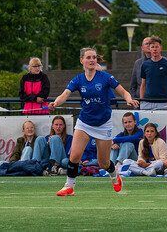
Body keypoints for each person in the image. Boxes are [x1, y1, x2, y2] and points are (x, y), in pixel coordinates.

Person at [49, 47, 138, 196]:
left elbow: (122, 91)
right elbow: (65, 94)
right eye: (88, 57)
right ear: (82, 60)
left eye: (94, 58)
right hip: (84, 122)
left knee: (103, 162)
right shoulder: (78, 79)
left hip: (103, 124)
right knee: (74, 156)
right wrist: (56, 103)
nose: (92, 60)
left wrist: (129, 99)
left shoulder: (105, 77)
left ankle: (114, 176)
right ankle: (69, 186)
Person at [140, 37, 167, 110]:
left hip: (164, 102)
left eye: (157, 47)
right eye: (152, 47)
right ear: (149, 49)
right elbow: (143, 85)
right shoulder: (145, 65)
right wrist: (141, 101)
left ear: (161, 48)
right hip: (147, 102)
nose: (154, 49)